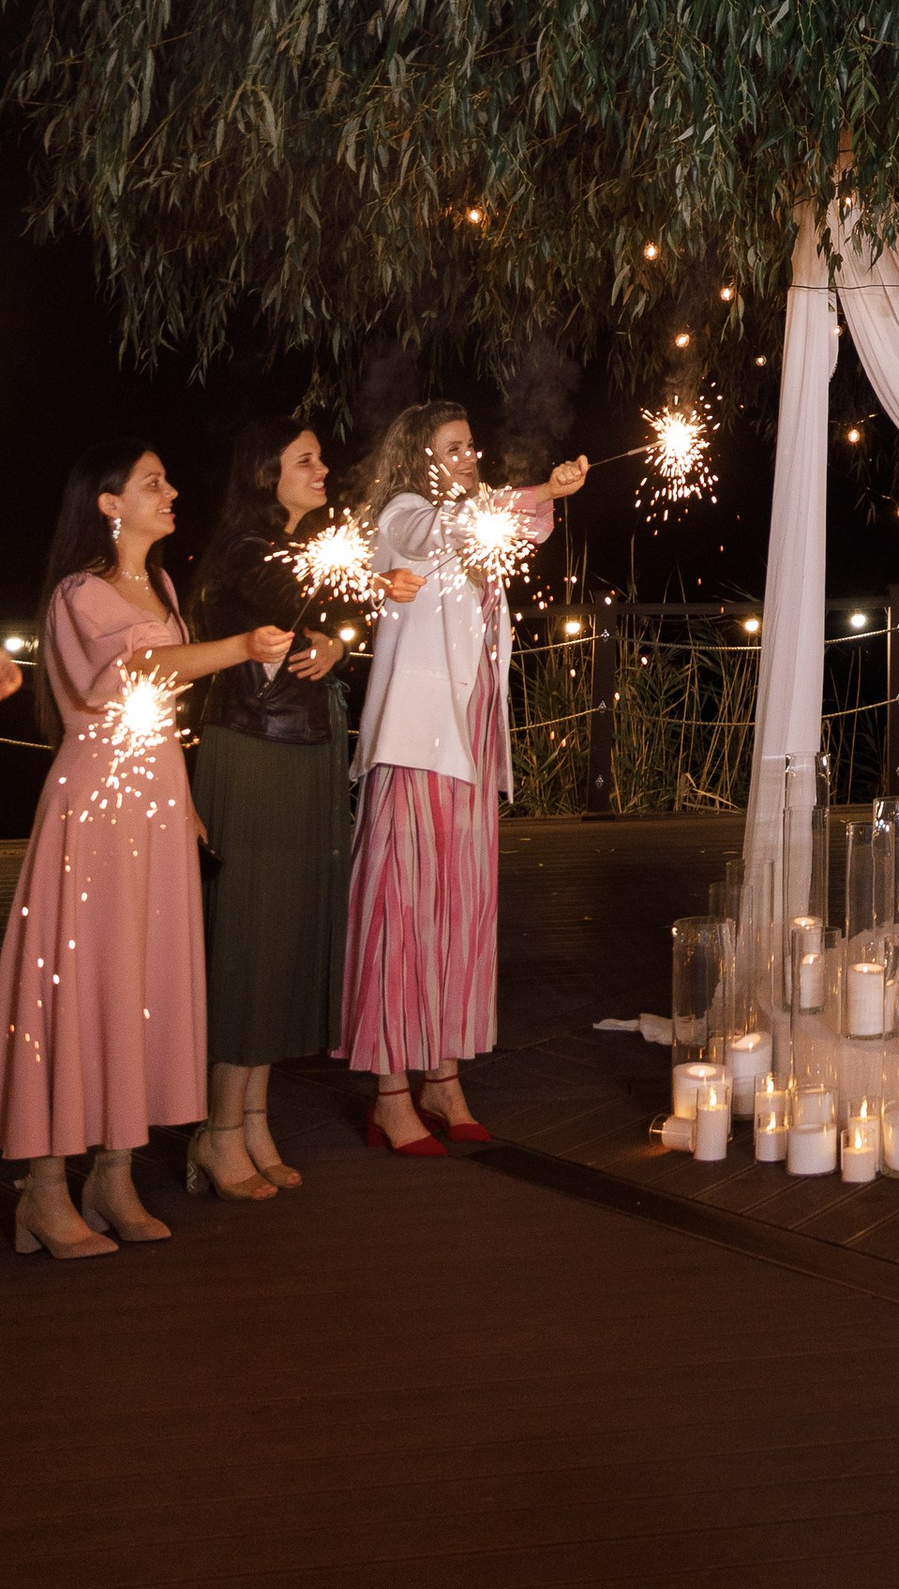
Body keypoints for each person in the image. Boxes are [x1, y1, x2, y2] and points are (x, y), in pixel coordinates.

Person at [2, 443, 290, 1259]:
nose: (170, 493)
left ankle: (113, 1172)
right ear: (106, 504)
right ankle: (45, 1189)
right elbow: (128, 679)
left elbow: (160, 716)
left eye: (168, 478)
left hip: (157, 808)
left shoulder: (162, 586)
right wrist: (238, 647)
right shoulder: (77, 593)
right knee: (82, 979)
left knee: (137, 980)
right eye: (151, 482)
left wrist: (188, 803)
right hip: (94, 811)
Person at [338, 402, 585, 1154]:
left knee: (458, 910)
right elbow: (443, 530)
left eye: (473, 446)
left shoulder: (475, 518)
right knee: (402, 909)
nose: (470, 456)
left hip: (471, 747)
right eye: (454, 448)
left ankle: (442, 1077)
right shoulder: (405, 516)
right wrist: (542, 487)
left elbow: (522, 528)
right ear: (419, 458)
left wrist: (549, 491)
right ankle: (388, 1090)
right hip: (417, 746)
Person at [190, 423, 423, 1200]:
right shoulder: (245, 548)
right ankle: (218, 1129)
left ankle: (253, 1118)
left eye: (320, 457)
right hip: (251, 750)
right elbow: (295, 592)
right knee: (252, 931)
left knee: (289, 931)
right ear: (264, 474)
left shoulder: (304, 544)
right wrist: (365, 593)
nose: (323, 469)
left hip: (305, 746)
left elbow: (312, 617)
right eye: (305, 459)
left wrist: (336, 643)